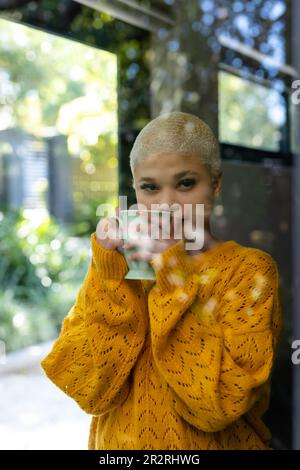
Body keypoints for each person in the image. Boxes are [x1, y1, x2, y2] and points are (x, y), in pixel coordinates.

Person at [41, 111, 282, 450]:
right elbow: (87, 390)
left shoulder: (250, 271)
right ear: (135, 189)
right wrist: (107, 272)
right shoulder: (121, 271)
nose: (167, 204)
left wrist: (173, 273)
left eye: (186, 183)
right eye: (150, 188)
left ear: (215, 183)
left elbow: (218, 406)